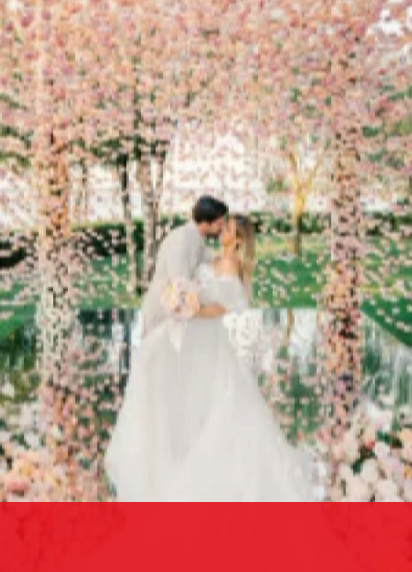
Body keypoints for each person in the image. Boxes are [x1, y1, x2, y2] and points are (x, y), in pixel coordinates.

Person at [106, 213, 314, 501]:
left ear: (237, 240)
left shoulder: (230, 264)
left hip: (208, 338)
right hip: (195, 339)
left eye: (228, 229)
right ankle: (184, 456)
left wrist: (194, 311)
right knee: (191, 398)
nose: (222, 230)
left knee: (214, 403)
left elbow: (225, 306)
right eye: (224, 225)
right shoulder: (214, 258)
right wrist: (179, 299)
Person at [138, 195, 228, 337]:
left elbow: (214, 262)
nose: (222, 228)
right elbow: (179, 283)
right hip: (162, 313)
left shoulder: (197, 240)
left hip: (178, 313)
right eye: (219, 224)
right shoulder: (182, 239)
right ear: (205, 222)